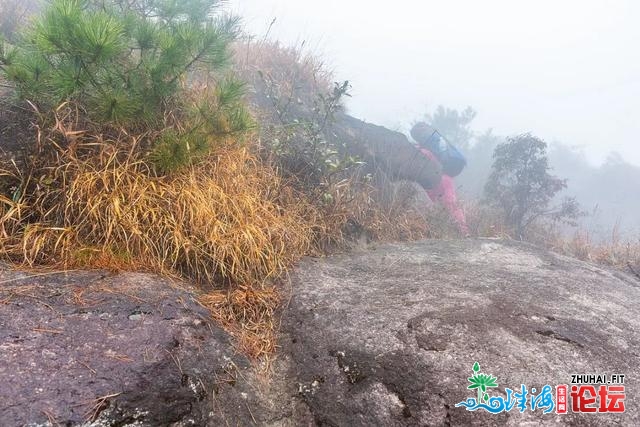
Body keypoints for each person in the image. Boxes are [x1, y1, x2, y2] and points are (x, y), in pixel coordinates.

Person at [410, 122, 469, 235]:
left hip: (438, 181)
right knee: (451, 205)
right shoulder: (435, 146)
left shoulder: (422, 151)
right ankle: (462, 231)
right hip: (446, 178)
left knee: (448, 205)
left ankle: (460, 231)